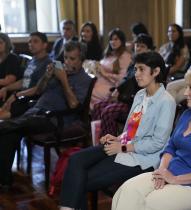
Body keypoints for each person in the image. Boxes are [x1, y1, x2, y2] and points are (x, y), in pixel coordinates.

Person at [59, 51, 176, 210]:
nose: (137, 74)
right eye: (135, 69)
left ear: (155, 72)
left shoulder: (166, 101)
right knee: (75, 160)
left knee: (80, 180)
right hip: (124, 147)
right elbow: (131, 129)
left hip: (143, 158)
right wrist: (117, 138)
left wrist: (122, 147)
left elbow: (157, 143)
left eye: (141, 69)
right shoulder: (141, 94)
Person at [111, 66, 191, 210]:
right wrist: (162, 170)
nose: (185, 92)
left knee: (150, 203)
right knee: (126, 191)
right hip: (169, 172)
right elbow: (171, 147)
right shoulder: (188, 114)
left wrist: (175, 179)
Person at [0, 41, 92, 190]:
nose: (67, 62)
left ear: (81, 60)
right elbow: (39, 90)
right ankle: (5, 181)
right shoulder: (57, 73)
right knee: (9, 133)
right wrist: (47, 76)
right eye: (66, 58)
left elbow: (74, 105)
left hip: (54, 119)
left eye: (72, 59)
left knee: (9, 126)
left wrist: (64, 81)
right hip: (35, 112)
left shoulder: (84, 80)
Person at [91, 33, 154, 138]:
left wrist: (119, 92)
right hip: (125, 97)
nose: (138, 48)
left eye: (142, 46)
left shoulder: (148, 64)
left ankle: (109, 145)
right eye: (137, 45)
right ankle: (98, 139)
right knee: (98, 106)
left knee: (108, 111)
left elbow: (134, 84)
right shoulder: (134, 60)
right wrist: (117, 90)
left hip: (135, 102)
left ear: (149, 49)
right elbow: (125, 78)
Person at [0, 32, 51, 119]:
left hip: (33, 100)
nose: (31, 44)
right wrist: (6, 88)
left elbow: (38, 89)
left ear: (45, 45)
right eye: (30, 42)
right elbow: (24, 81)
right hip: (22, 95)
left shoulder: (48, 63)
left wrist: (17, 95)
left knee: (2, 114)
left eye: (35, 41)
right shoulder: (32, 60)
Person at [90, 28, 132, 108]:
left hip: (111, 85)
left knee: (91, 92)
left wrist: (105, 74)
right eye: (111, 40)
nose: (113, 42)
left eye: (116, 39)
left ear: (122, 41)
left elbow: (122, 79)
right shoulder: (108, 54)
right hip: (98, 80)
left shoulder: (125, 56)